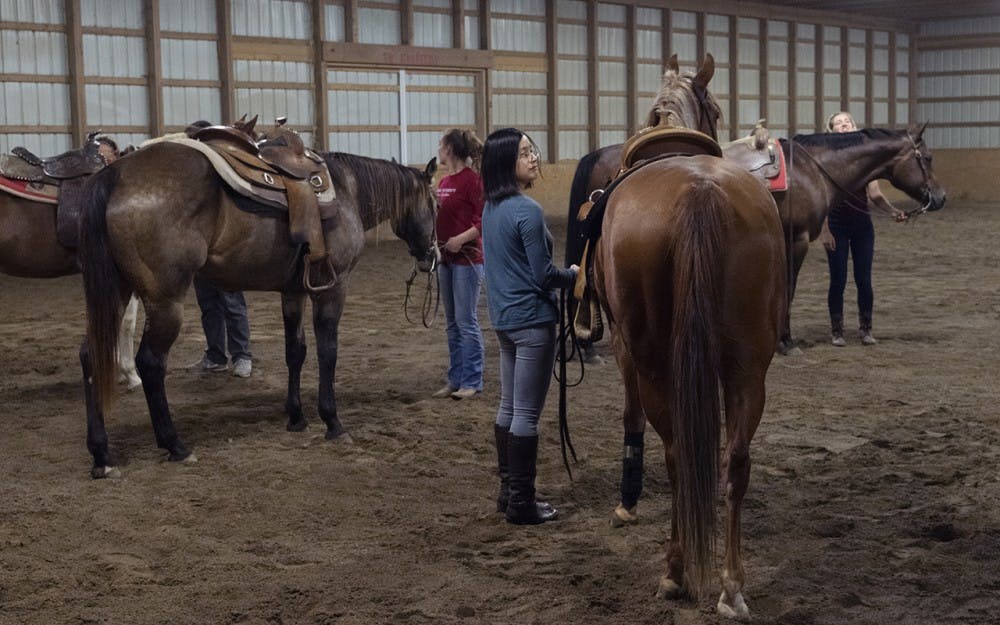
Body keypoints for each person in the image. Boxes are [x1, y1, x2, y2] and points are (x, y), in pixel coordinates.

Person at [480, 128, 579, 525]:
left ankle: (508, 492)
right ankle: (522, 502)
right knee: (526, 414)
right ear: (507, 163)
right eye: (524, 153)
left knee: (508, 406)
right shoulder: (528, 211)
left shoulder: (489, 209)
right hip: (533, 322)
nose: (533, 158)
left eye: (531, 151)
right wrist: (575, 275)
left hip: (504, 321)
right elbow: (542, 275)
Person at [820, 111, 908, 347]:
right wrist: (825, 230)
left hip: (862, 226)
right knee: (837, 280)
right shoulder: (829, 158)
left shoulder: (864, 160)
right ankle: (837, 331)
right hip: (836, 225)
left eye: (846, 121)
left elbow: (875, 194)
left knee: (864, 280)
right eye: (837, 123)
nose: (843, 125)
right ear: (831, 131)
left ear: (853, 125)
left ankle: (866, 329)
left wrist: (892, 212)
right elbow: (823, 198)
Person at [432, 129, 486, 401]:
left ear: (450, 149)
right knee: (452, 323)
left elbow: (482, 220)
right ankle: (455, 378)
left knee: (466, 321)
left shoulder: (472, 182)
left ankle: (472, 379)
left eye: (441, 146)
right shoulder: (443, 182)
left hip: (468, 259)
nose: (438, 151)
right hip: (446, 259)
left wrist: (459, 239)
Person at [189, 276, 253, 377]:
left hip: (226, 263)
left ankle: (242, 356)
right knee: (209, 308)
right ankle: (215, 357)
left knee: (233, 304)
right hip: (203, 265)